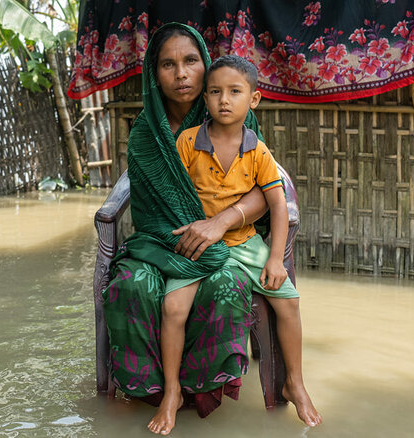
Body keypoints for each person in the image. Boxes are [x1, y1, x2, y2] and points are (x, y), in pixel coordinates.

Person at [101, 23, 269, 435]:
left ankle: (200, 391)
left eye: (191, 61)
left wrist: (220, 222)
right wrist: (184, 236)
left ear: (205, 65)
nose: (181, 73)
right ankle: (149, 391)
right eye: (168, 64)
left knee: (226, 283)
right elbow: (151, 210)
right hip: (158, 243)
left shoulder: (235, 119)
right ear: (152, 74)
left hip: (221, 242)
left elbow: (265, 191)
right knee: (132, 285)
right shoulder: (144, 134)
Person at [167, 54, 322, 430]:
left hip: (246, 242)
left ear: (253, 99)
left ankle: (294, 384)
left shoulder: (257, 151)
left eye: (234, 92)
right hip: (199, 243)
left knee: (289, 302)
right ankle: (172, 391)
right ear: (204, 99)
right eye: (215, 92)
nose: (224, 100)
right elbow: (171, 195)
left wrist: (275, 259)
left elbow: (278, 207)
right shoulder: (187, 142)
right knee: (173, 309)